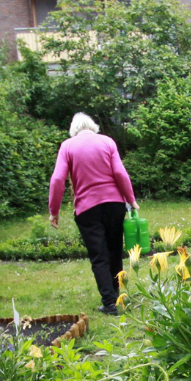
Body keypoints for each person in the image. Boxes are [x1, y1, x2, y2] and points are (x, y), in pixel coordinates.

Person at [49, 113, 139, 315]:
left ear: (74, 130)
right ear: (93, 126)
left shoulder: (68, 146)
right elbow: (120, 173)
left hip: (87, 209)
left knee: (99, 256)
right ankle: (118, 297)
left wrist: (54, 211)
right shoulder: (107, 142)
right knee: (115, 250)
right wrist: (130, 198)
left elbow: (57, 180)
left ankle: (109, 303)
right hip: (115, 204)